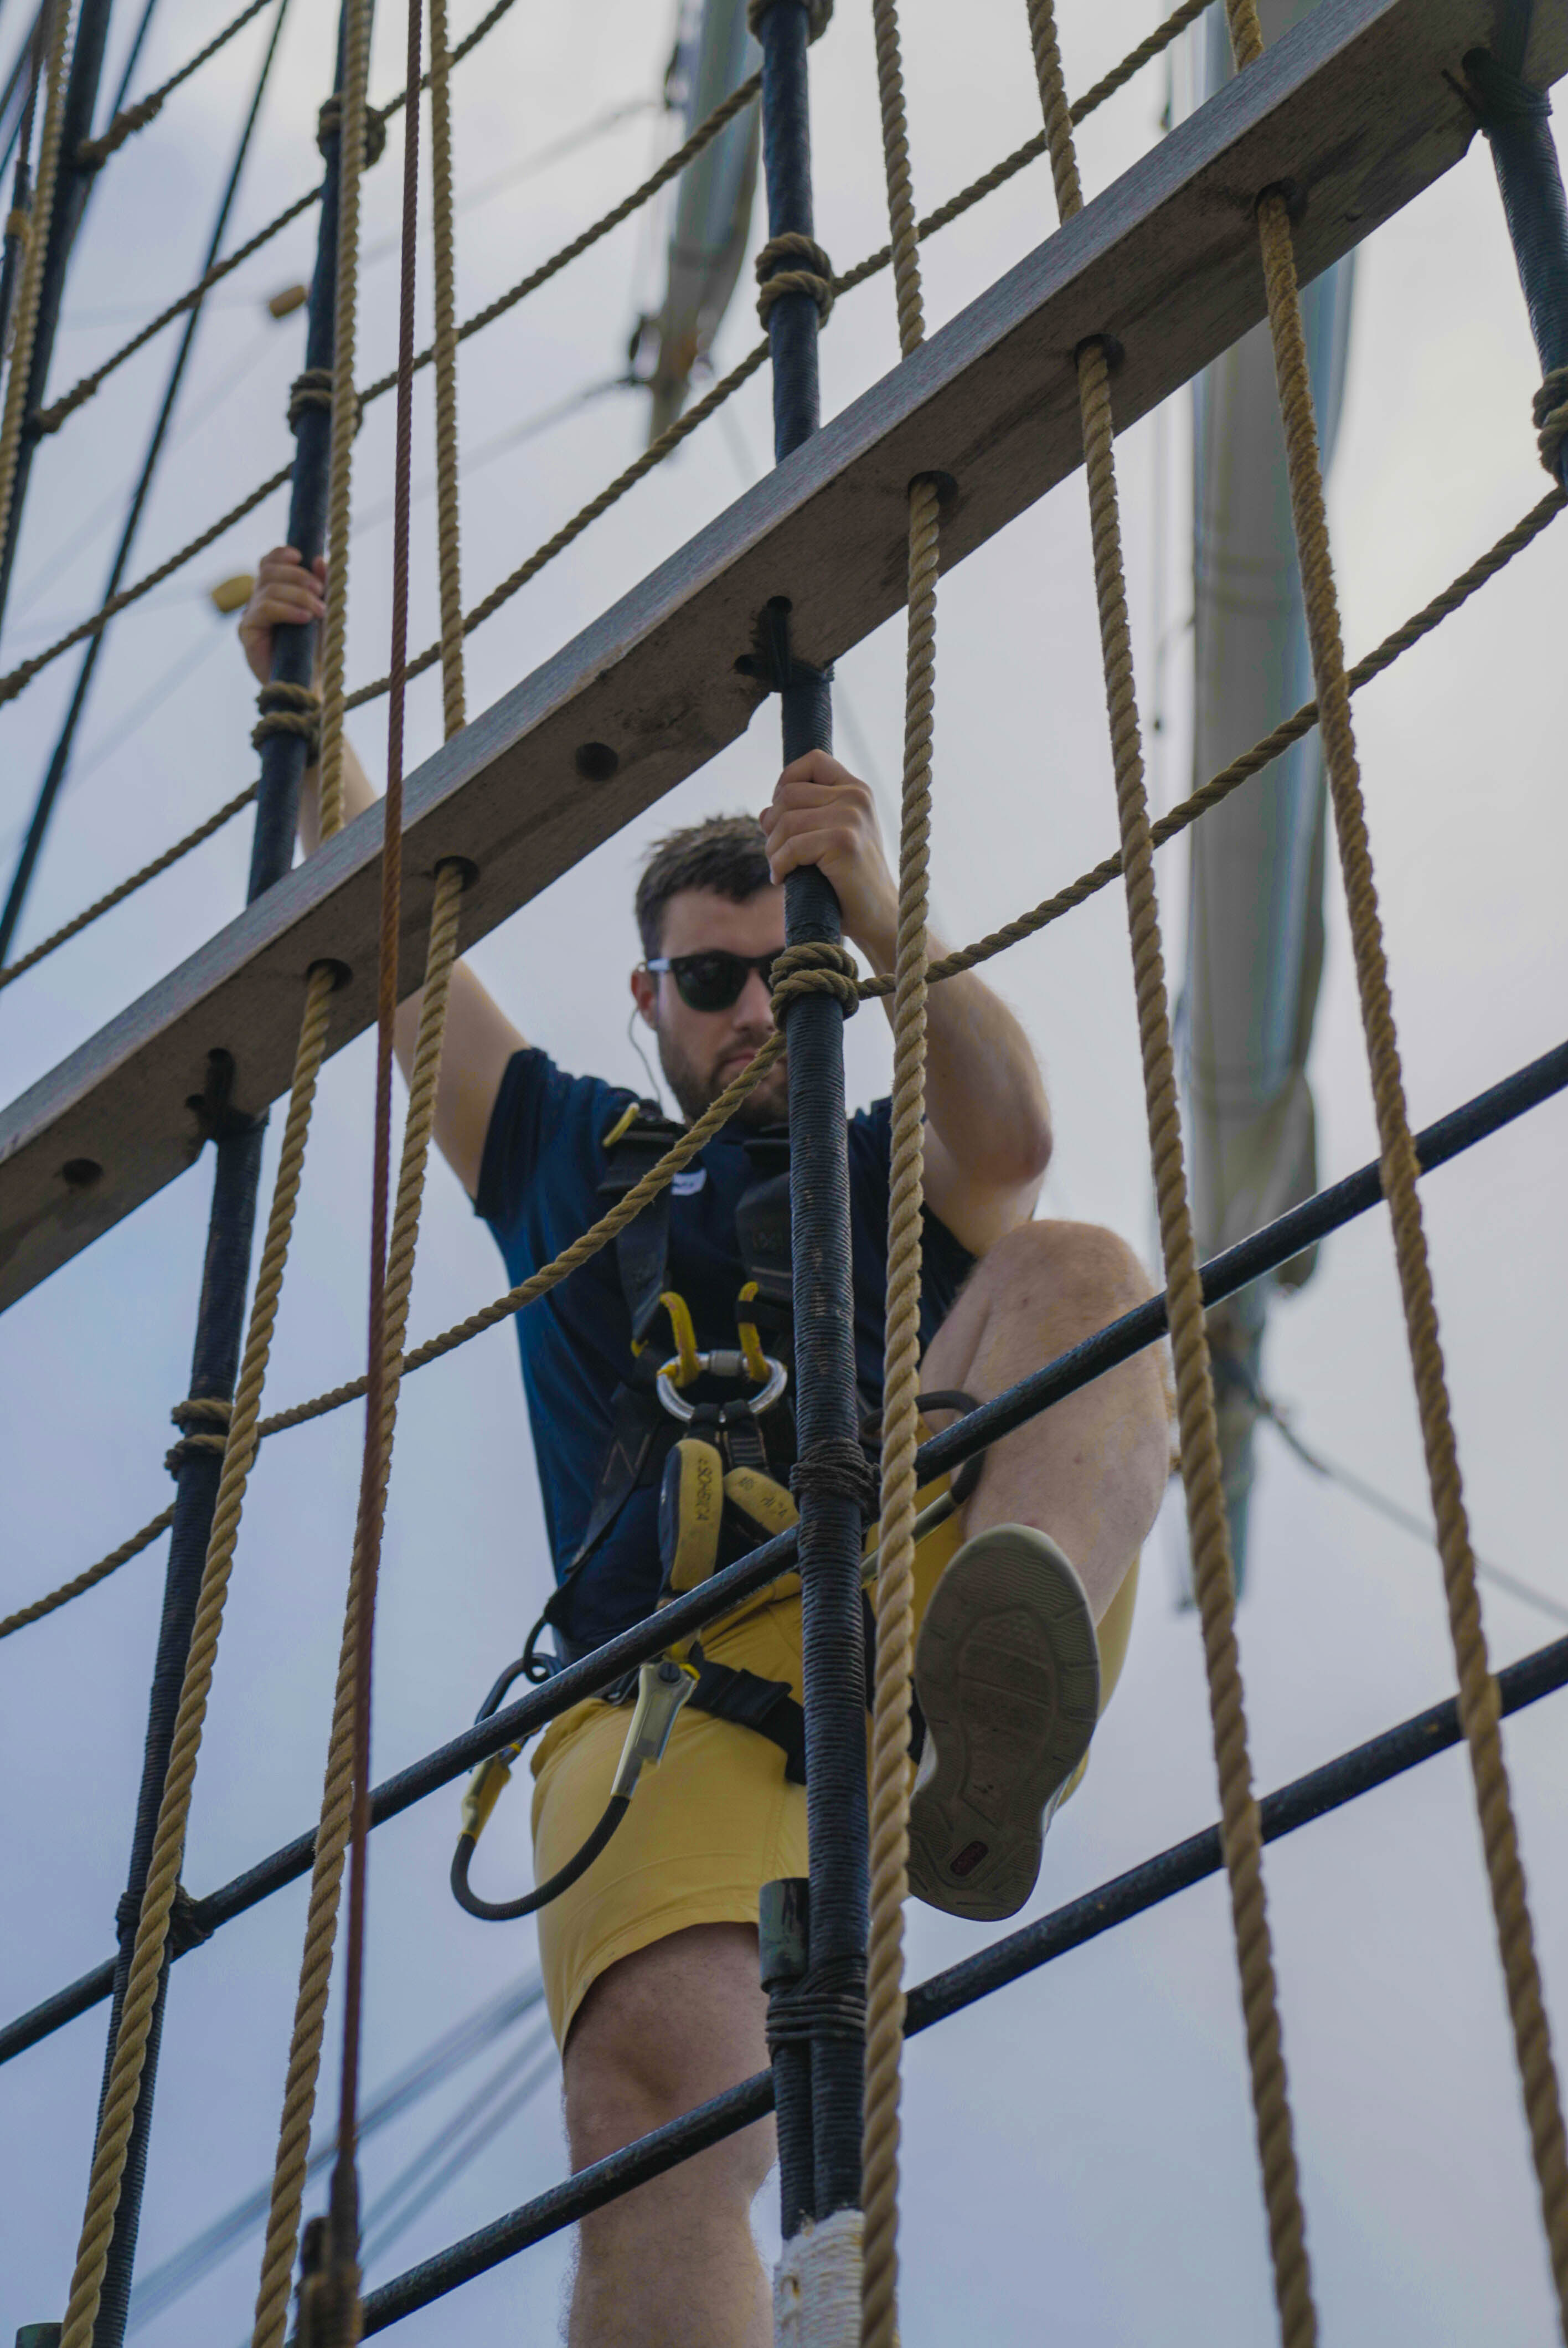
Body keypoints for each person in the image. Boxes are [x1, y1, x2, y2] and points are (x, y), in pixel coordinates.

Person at [241, 548, 1170, 2346]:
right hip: (666, 1682)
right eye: (711, 979)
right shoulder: (563, 1159)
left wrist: (880, 918)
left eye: (777, 974)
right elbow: (395, 947)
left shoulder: (885, 1141)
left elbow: (1021, 1135)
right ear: (647, 1000)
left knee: (1078, 1276)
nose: (754, 1011)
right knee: (660, 2121)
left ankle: (999, 1679)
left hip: (911, 1577)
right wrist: (312, 721)